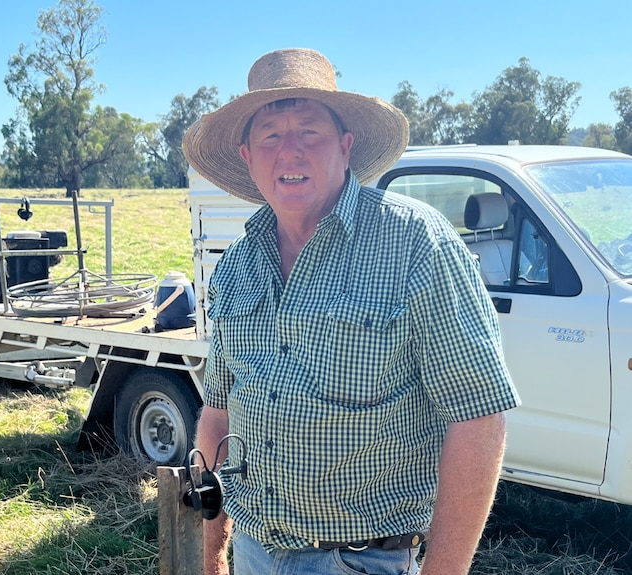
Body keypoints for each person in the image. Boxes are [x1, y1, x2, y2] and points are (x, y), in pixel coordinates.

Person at [182, 48, 520, 575]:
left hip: (360, 562)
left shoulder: (414, 242)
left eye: (309, 131)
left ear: (345, 147)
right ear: (248, 157)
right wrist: (212, 554)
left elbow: (478, 418)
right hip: (253, 551)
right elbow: (219, 413)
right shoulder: (237, 266)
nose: (289, 152)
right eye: (270, 135)